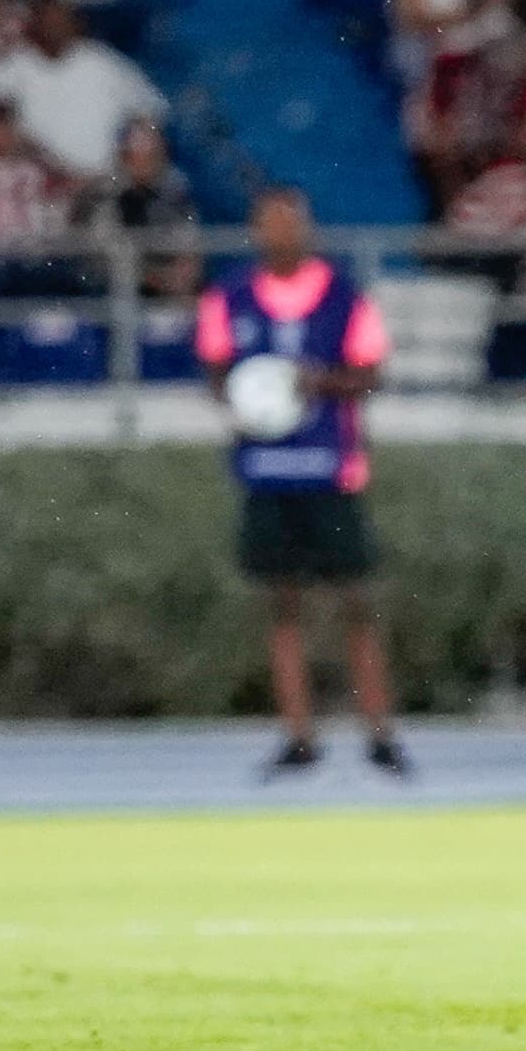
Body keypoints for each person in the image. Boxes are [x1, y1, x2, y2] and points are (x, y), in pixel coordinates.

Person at [195, 183, 402, 780]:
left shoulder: (342, 297)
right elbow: (215, 374)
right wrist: (246, 400)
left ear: (307, 229)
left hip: (329, 469)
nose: (281, 233)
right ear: (256, 230)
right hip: (265, 473)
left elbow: (370, 373)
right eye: (270, 223)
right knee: (281, 605)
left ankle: (379, 732)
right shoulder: (229, 298)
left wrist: (316, 384)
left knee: (356, 600)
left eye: (291, 222)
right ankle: (299, 735)